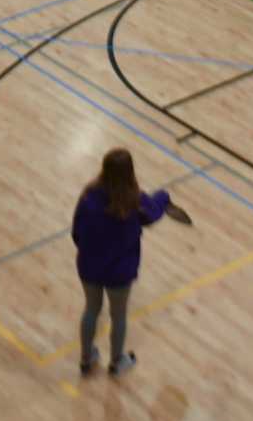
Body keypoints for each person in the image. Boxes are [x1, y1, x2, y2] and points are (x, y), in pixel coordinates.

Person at [72, 148, 191, 379]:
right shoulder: (134, 201)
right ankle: (117, 362)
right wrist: (164, 196)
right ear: (130, 172)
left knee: (91, 310)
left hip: (89, 267)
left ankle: (86, 359)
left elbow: (76, 233)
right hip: (120, 273)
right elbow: (154, 213)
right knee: (119, 317)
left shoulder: (88, 197)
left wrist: (90, 252)